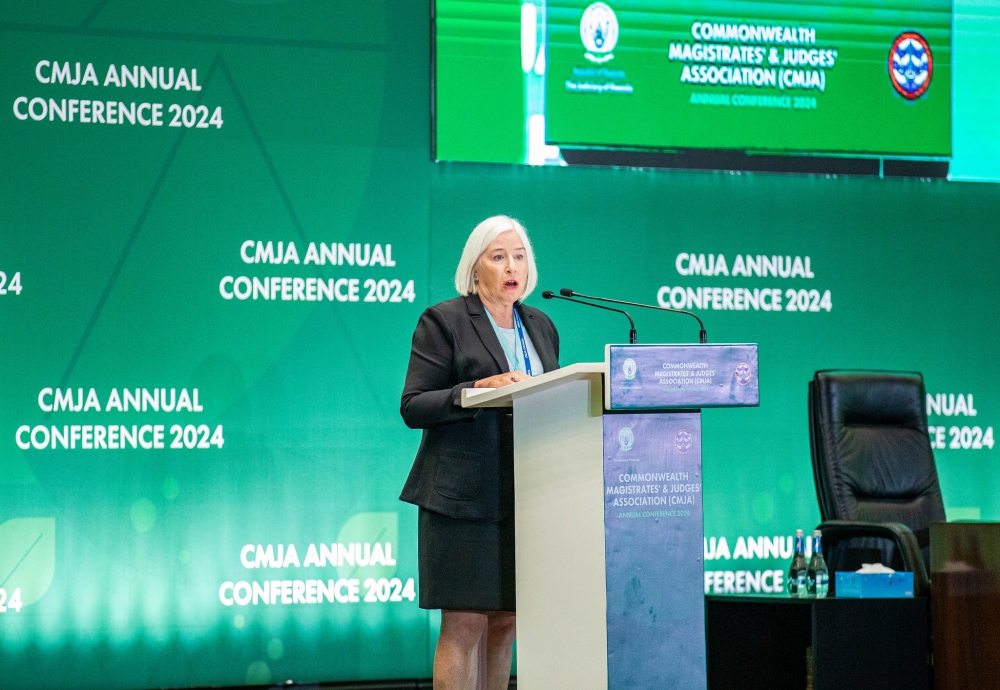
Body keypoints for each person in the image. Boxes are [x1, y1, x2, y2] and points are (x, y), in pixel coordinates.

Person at [399, 215, 560, 690]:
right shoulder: (444, 320)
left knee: (507, 622)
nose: (511, 266)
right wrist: (476, 388)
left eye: (519, 256)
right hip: (461, 499)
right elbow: (413, 404)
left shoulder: (542, 325)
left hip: (525, 495)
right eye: (498, 256)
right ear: (475, 268)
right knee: (466, 624)